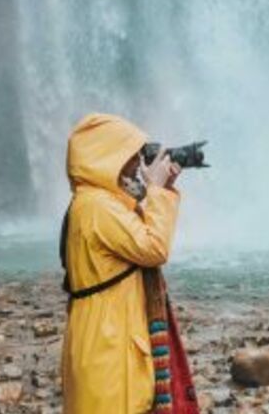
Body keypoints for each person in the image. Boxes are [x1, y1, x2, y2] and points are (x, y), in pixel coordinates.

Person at [60, 113, 197, 414]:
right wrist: (158, 192)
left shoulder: (95, 202)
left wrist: (163, 189)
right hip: (109, 339)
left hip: (107, 332)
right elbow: (154, 248)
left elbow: (139, 236)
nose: (137, 163)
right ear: (107, 158)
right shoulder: (98, 207)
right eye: (130, 155)